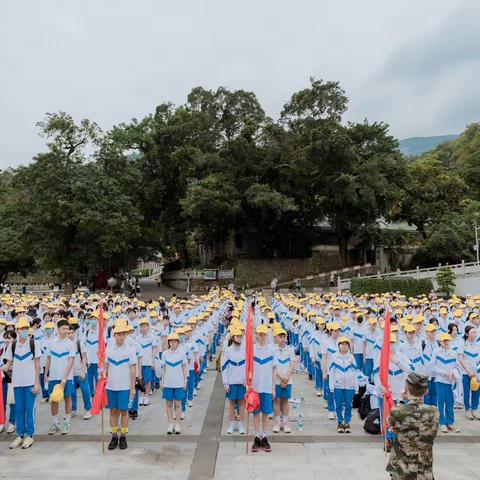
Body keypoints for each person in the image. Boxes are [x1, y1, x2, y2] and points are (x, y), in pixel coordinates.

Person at [386, 372, 439, 480]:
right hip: (424, 470)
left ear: (406, 389)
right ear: (426, 391)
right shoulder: (434, 411)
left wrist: (401, 401)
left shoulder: (397, 411)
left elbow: (389, 422)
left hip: (402, 470)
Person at [1, 317, 41, 449]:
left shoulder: (34, 344)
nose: (23, 331)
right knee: (19, 410)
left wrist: (37, 383)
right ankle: (20, 434)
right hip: (16, 383)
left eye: (25, 328)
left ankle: (29, 435)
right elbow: (7, 365)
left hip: (30, 383)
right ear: (17, 330)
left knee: (30, 410)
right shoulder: (12, 346)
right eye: (21, 329)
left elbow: (37, 366)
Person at [105, 323, 137, 450]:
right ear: (114, 335)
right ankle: (114, 436)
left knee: (124, 411)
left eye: (123, 334)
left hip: (124, 386)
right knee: (113, 411)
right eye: (119, 334)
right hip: (111, 386)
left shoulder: (130, 350)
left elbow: (133, 369)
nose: (121, 337)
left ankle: (123, 435)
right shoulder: (109, 350)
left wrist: (132, 387)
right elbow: (106, 367)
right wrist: (102, 374)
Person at [44, 318, 75, 435]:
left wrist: (64, 378)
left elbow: (71, 362)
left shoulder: (71, 344)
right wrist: (46, 374)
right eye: (63, 329)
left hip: (67, 377)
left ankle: (67, 423)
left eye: (67, 329)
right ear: (58, 329)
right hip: (53, 376)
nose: (66, 331)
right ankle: (55, 423)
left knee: (67, 398)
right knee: (54, 399)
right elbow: (48, 359)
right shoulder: (51, 343)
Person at [251, 324, 276, 453]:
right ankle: (256, 437)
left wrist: (273, 388)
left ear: (267, 335)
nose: (261, 336)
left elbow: (274, 370)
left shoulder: (272, 350)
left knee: (266, 414)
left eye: (263, 334)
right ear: (256, 335)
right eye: (259, 334)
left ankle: (264, 437)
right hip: (255, 388)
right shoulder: (252, 349)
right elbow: (248, 369)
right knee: (256, 413)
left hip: (266, 387)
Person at [431, 333, 460, 433]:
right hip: (440, 381)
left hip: (451, 382)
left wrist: (452, 372)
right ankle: (442, 423)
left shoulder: (454, 353)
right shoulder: (436, 352)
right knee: (440, 402)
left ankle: (450, 422)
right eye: (444, 340)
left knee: (450, 402)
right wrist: (443, 373)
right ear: (440, 342)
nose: (446, 342)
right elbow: (432, 366)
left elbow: (458, 367)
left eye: (448, 340)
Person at [328, 336, 358, 433]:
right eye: (342, 344)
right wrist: (331, 386)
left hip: (350, 386)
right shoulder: (334, 356)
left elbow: (355, 373)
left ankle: (347, 422)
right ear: (339, 345)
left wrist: (356, 386)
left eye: (346, 344)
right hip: (338, 386)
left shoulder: (351, 357)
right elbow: (331, 372)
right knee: (339, 405)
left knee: (349, 405)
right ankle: (340, 422)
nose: (344, 346)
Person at [221, 326, 247, 434]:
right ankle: (232, 425)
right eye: (237, 336)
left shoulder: (245, 350)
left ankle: (240, 425)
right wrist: (226, 383)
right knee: (231, 404)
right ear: (233, 337)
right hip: (231, 382)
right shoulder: (228, 351)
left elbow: (248, 367)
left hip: (242, 382)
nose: (239, 338)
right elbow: (224, 368)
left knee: (241, 404)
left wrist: (246, 380)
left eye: (241, 336)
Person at [161, 332, 188, 434]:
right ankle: (170, 424)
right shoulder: (165, 354)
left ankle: (177, 424)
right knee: (168, 404)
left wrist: (185, 380)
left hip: (179, 382)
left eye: (175, 341)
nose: (173, 343)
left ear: (177, 342)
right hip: (168, 383)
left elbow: (184, 367)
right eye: (171, 341)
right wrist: (162, 381)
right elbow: (163, 369)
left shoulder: (182, 353)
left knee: (178, 403)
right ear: (168, 342)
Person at [273, 328, 294, 433]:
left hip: (288, 380)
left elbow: (291, 365)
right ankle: (277, 423)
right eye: (280, 336)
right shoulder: (273, 349)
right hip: (276, 379)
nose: (282, 339)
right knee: (276, 400)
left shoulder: (290, 349)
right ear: (276, 337)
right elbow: (273, 367)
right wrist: (282, 378)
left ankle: (285, 423)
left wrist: (286, 379)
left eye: (283, 337)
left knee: (285, 401)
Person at [458, 325, 480, 419]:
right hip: (465, 373)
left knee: (476, 391)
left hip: (476, 373)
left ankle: (475, 410)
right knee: (466, 392)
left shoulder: (478, 344)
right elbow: (461, 359)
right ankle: (467, 410)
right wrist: (468, 371)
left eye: (475, 332)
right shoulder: (462, 343)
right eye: (472, 332)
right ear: (467, 334)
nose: (475, 334)